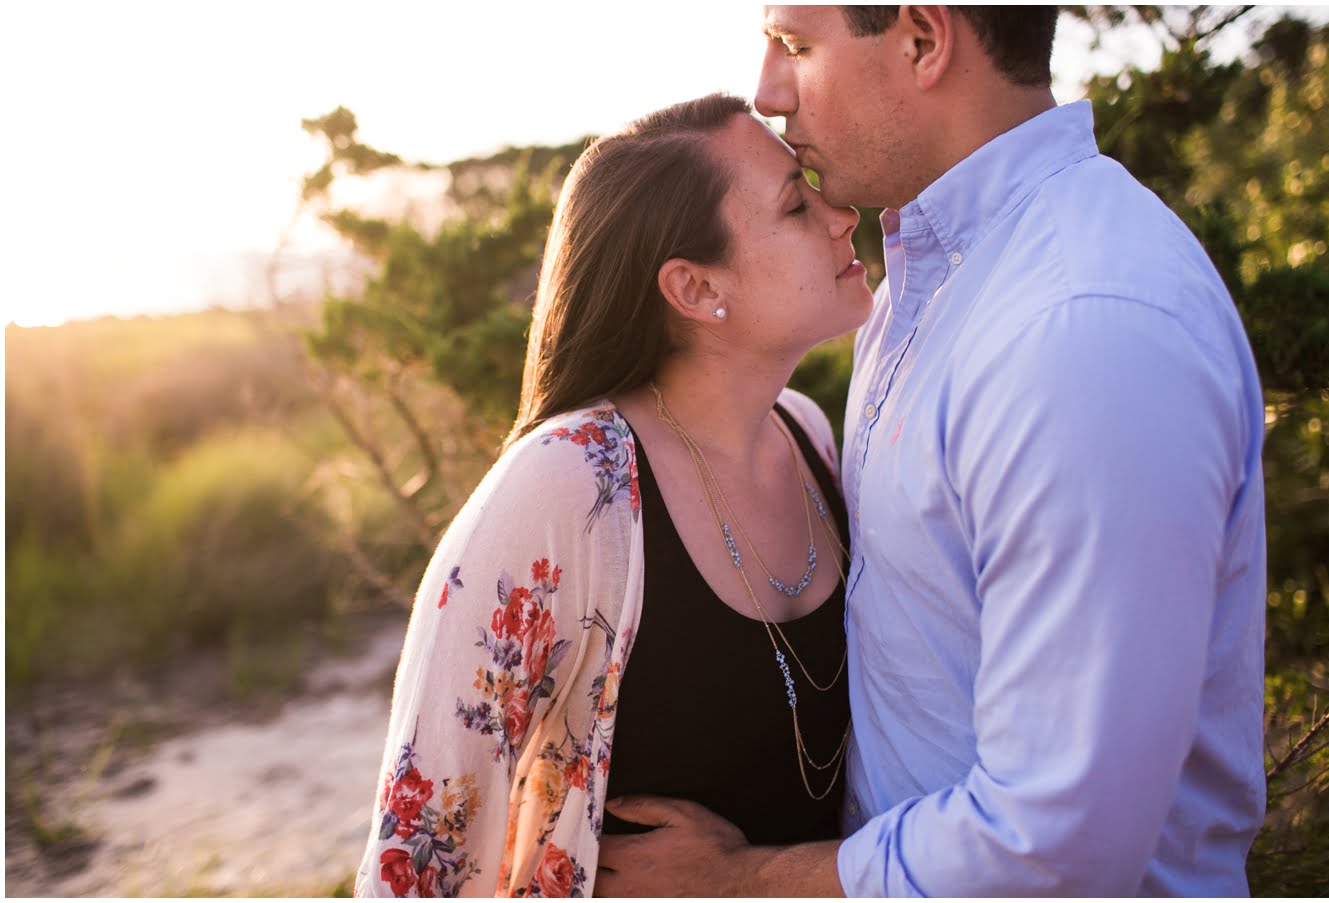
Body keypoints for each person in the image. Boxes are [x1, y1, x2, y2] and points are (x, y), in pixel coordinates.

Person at [595, 6, 1268, 897]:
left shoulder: (1081, 328)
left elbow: (1057, 842)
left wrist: (739, 880)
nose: (766, 89)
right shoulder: (935, 277)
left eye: (796, 44)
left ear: (921, 40)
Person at [352, 92, 876, 896]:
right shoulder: (567, 486)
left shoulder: (809, 436)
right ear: (696, 289)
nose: (841, 215)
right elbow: (420, 857)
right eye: (796, 205)